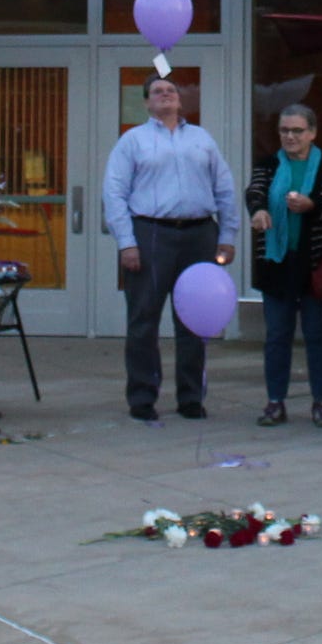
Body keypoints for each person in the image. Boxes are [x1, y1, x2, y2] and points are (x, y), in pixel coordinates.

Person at [101, 74, 239, 422]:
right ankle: (143, 397)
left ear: (180, 100)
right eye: (157, 92)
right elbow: (114, 193)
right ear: (146, 102)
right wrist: (126, 242)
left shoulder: (202, 139)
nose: (165, 95)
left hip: (199, 234)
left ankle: (191, 397)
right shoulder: (132, 141)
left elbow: (224, 188)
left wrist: (228, 235)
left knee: (194, 321)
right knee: (143, 319)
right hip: (151, 234)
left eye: (171, 90)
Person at [244, 104, 322, 428]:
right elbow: (255, 191)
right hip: (277, 261)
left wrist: (312, 205)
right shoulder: (268, 164)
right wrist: (258, 210)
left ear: (312, 133)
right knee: (277, 336)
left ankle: (321, 403)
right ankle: (275, 402)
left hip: (314, 264)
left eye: (297, 131)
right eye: (284, 130)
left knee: (317, 335)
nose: (290, 136)